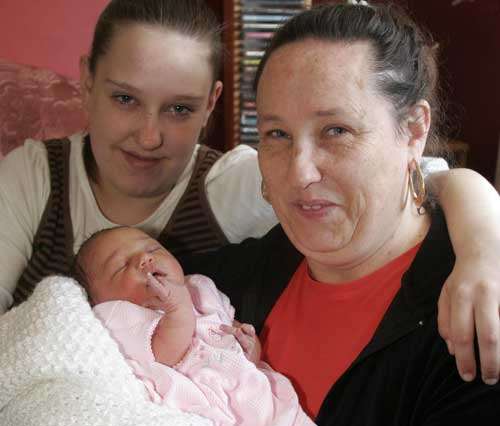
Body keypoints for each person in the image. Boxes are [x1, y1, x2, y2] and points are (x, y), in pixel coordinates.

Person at [0, 0, 498, 385]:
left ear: (212, 101)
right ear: (87, 82)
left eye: (179, 109)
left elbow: (409, 172)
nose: (149, 136)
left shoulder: (231, 182)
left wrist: (484, 242)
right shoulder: (35, 173)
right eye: (125, 98)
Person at [177, 2, 500, 426]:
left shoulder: (474, 324)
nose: (300, 172)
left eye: (337, 131)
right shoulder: (234, 283)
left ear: (414, 131)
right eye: (277, 135)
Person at [72, 225, 317, 426]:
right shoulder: (117, 315)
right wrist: (177, 309)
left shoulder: (199, 287)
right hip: (196, 409)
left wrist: (249, 348)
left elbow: (227, 333)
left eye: (153, 249)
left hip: (245, 396)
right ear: (98, 299)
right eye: (122, 265)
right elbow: (166, 355)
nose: (144, 259)